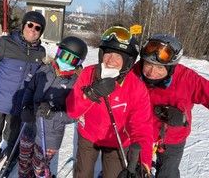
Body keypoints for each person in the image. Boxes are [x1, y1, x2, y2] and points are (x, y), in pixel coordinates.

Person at [66, 26, 154, 178]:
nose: (111, 60)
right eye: (108, 53)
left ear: (128, 62)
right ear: (101, 55)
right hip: (88, 135)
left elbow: (142, 128)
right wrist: (92, 93)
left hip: (117, 142)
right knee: (82, 173)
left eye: (119, 56)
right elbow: (72, 110)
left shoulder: (136, 88)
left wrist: (142, 164)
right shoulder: (89, 73)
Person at [133, 34, 209, 178]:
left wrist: (182, 117)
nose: (152, 73)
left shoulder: (187, 79)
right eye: (148, 65)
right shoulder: (134, 74)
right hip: (141, 134)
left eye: (160, 67)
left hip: (173, 137)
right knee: (138, 171)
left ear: (171, 68)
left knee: (168, 173)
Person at [18, 36, 88, 178]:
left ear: (78, 63)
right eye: (64, 56)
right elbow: (30, 89)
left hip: (49, 135)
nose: (66, 61)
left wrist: (52, 113)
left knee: (39, 167)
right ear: (58, 53)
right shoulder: (45, 69)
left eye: (72, 59)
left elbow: (75, 114)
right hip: (30, 126)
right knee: (24, 161)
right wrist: (25, 106)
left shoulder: (76, 84)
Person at [0, 11, 46, 165]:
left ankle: (11, 155)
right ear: (23, 25)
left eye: (38, 28)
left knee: (13, 134)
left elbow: (39, 78)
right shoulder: (4, 43)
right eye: (30, 25)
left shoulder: (40, 53)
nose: (33, 30)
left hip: (20, 105)